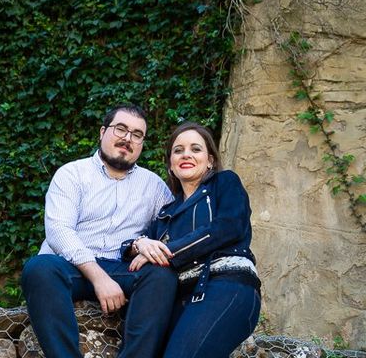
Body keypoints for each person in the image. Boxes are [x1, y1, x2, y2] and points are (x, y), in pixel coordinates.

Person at [21, 104, 178, 358]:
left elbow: (171, 230)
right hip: (70, 269)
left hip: (121, 269)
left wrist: (143, 244)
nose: (127, 138)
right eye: (121, 129)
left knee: (161, 276)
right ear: (102, 132)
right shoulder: (72, 174)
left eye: (137, 134)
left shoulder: (154, 187)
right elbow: (59, 231)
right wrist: (99, 278)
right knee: (38, 269)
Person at [125, 121, 261, 358]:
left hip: (227, 286)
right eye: (178, 150)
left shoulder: (225, 183)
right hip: (181, 298)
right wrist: (139, 244)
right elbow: (134, 251)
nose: (186, 154)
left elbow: (229, 227)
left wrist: (166, 251)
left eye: (195, 149)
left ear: (210, 160)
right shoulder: (165, 212)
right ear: (171, 164)